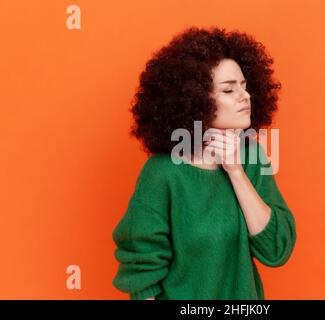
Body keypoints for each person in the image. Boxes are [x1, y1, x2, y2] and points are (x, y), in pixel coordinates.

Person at [112, 26, 297, 300]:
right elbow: (142, 272)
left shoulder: (252, 158)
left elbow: (276, 250)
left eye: (245, 87)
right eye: (228, 89)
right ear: (195, 99)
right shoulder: (163, 173)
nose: (244, 96)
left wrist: (235, 171)